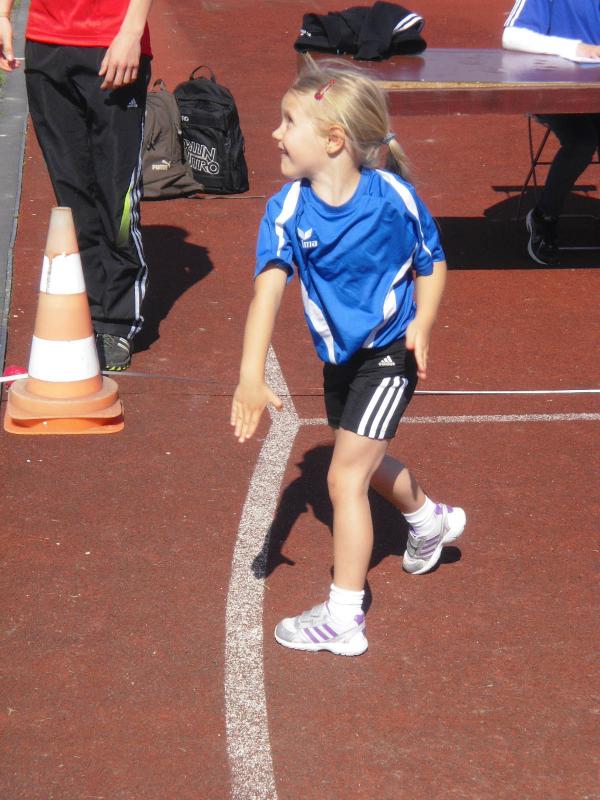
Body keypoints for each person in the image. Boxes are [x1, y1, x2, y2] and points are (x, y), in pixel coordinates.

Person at [230, 57, 466, 657]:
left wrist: (423, 322)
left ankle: (343, 618)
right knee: (357, 458)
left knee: (344, 476)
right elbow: (266, 293)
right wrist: (250, 376)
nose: (276, 133)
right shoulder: (287, 209)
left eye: (289, 122)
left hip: (390, 353)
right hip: (342, 360)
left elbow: (432, 262)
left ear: (333, 140)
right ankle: (429, 520)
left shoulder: (393, 198)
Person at [0, 0, 153, 370]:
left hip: (112, 43)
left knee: (116, 196)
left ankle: (116, 321)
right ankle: (88, 308)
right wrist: (3, 14)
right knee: (72, 193)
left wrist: (132, 32)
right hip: (45, 45)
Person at [503, 0, 600, 265]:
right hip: (554, 92)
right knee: (582, 142)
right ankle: (544, 216)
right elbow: (511, 36)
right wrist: (574, 48)